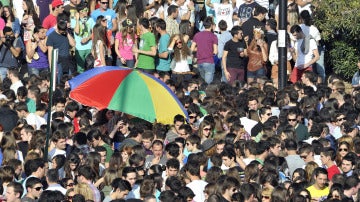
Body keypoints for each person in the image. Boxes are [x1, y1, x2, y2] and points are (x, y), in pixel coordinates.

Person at [46, 14, 76, 83]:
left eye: (64, 30)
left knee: (70, 80)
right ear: (58, 29)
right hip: (58, 62)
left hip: (67, 61)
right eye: (62, 31)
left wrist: (67, 33)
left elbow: (73, 44)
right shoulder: (51, 36)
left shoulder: (66, 33)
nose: (63, 32)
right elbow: (50, 53)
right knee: (59, 81)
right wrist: (52, 67)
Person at [191, 16, 218, 84]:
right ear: (211, 25)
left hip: (199, 62)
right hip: (209, 61)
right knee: (208, 85)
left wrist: (200, 48)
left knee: (203, 83)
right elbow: (215, 51)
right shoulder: (214, 36)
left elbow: (192, 49)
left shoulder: (197, 35)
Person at [71, 3, 94, 73]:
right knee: (80, 69)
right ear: (80, 12)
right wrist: (77, 20)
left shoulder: (90, 20)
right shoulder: (74, 20)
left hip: (89, 47)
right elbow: (77, 32)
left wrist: (88, 38)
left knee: (90, 67)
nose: (87, 11)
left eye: (87, 10)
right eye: (85, 10)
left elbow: (95, 32)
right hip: (79, 48)